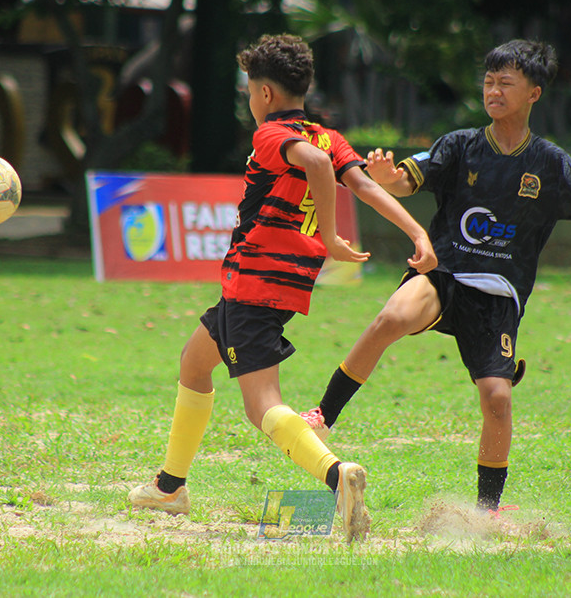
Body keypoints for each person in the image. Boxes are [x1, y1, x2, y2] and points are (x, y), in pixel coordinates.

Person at [128, 33, 437, 543]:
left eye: (249, 91)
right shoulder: (327, 136)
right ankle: (169, 487)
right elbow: (363, 184)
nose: (249, 102)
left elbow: (316, 169)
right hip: (269, 287)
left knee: (261, 405)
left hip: (255, 284)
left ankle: (337, 477)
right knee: (194, 361)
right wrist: (418, 232)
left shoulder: (271, 136)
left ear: (265, 94)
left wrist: (333, 236)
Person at [301, 39, 571, 514]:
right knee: (391, 317)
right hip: (445, 272)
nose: (493, 91)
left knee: (497, 400)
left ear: (533, 93)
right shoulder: (461, 145)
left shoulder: (549, 162)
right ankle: (324, 415)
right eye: (489, 82)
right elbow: (408, 180)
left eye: (505, 83)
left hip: (498, 297)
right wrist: (388, 177)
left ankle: (487, 510)